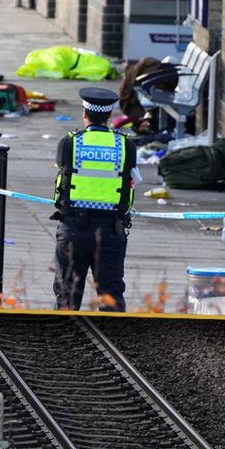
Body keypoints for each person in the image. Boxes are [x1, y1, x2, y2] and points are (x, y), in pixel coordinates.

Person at [52, 87, 137, 312]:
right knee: (111, 296)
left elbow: (62, 174)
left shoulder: (70, 143)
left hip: (73, 230)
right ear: (110, 116)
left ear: (84, 113)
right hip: (111, 231)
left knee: (67, 296)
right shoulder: (125, 146)